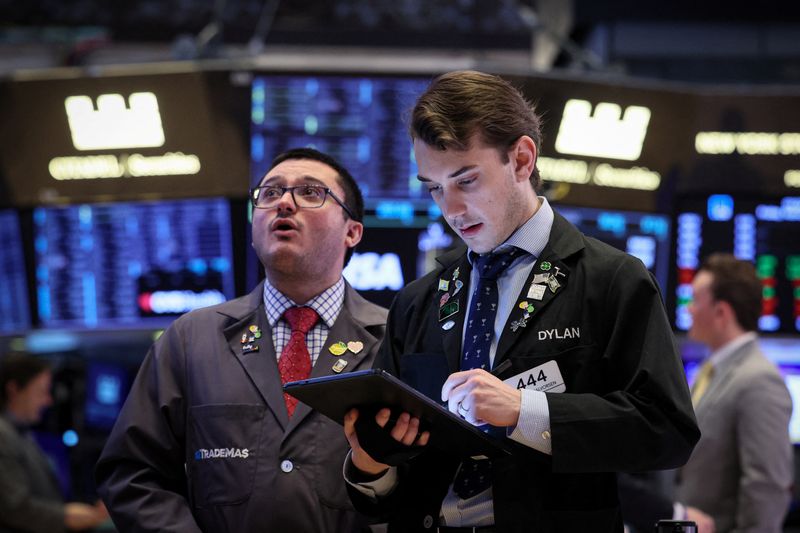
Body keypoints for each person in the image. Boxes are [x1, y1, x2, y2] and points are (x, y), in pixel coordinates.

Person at [342, 70, 700, 532]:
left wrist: (524, 411)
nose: (450, 209)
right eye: (434, 187)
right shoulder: (418, 301)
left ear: (522, 160)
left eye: (466, 180)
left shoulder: (611, 280)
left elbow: (668, 430)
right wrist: (370, 465)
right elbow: (386, 497)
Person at [95, 147, 388, 533]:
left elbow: (427, 483)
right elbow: (132, 474)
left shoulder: (393, 340)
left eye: (310, 192)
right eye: (270, 193)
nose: (284, 203)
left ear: (352, 232)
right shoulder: (190, 339)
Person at [676, 253, 792, 532]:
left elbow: (766, 487)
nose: (688, 309)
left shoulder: (759, 380)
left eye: (695, 300)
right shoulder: (710, 370)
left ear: (722, 313)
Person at [0, 353, 109, 532]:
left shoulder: (23, 434)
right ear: (13, 390)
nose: (48, 400)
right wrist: (67, 516)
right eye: (41, 391)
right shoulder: (3, 435)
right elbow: (15, 507)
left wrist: (84, 512)